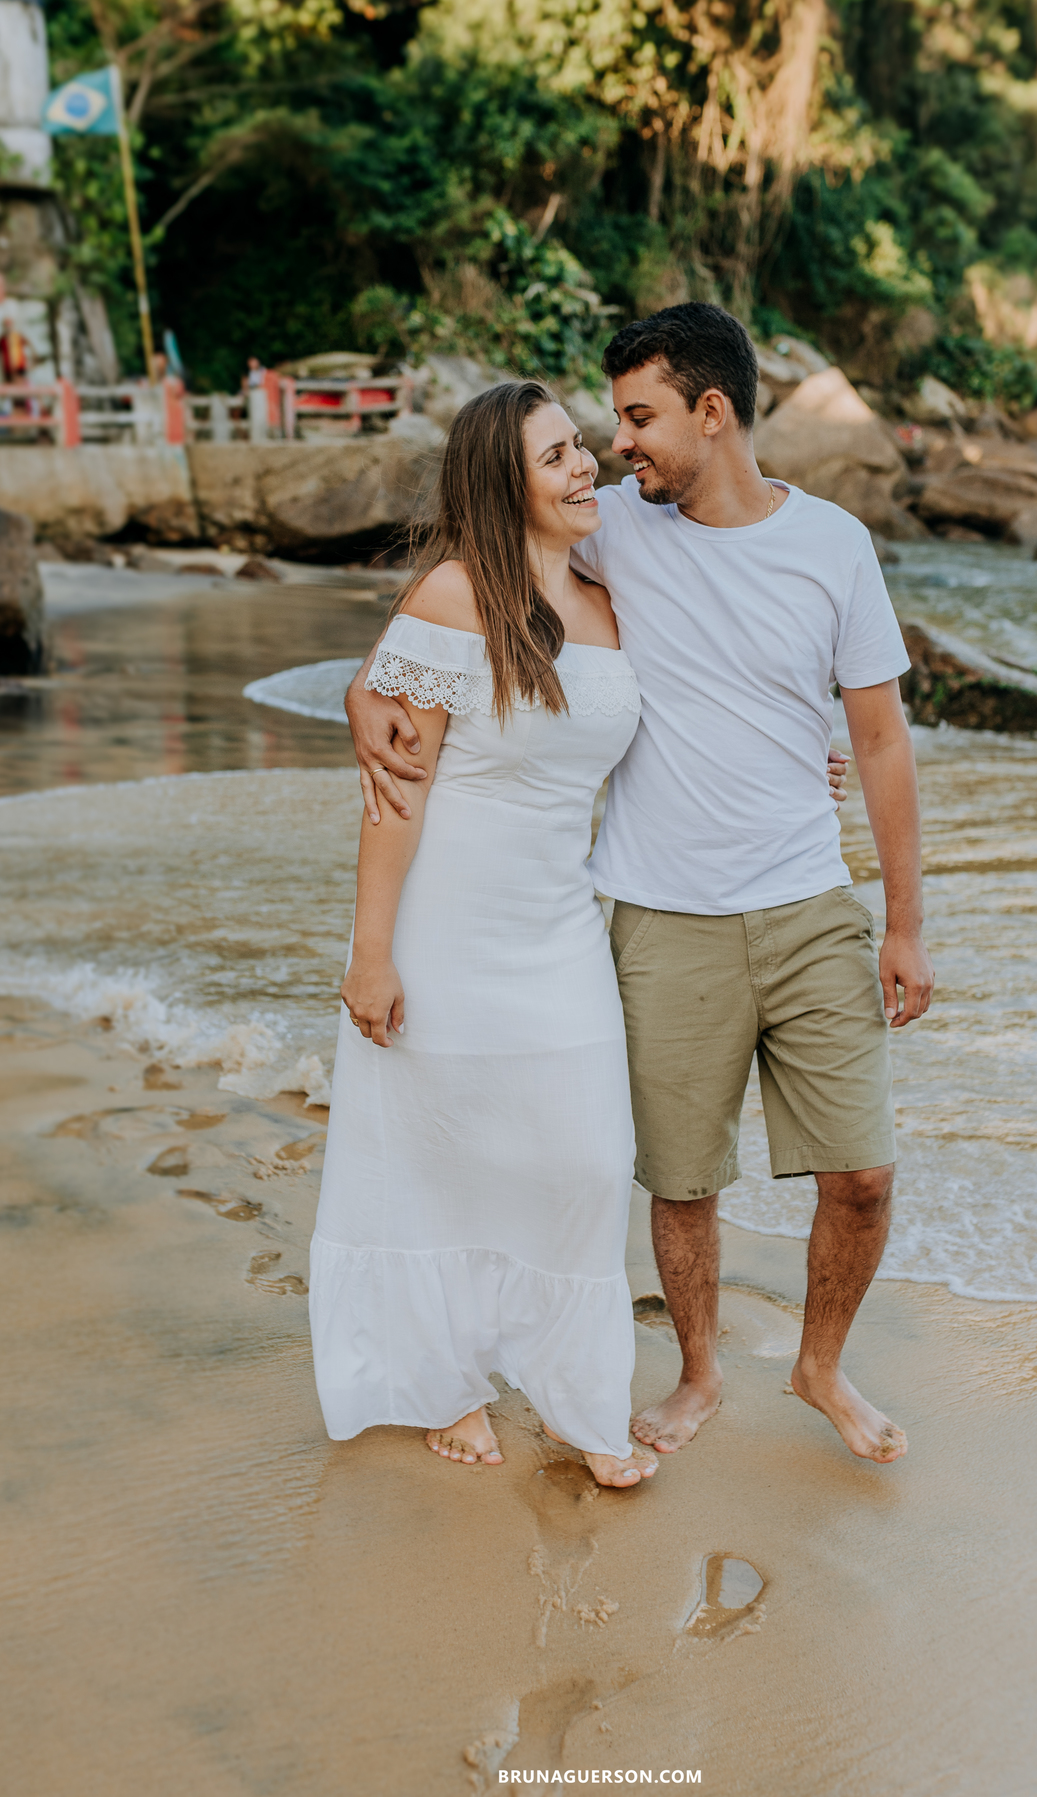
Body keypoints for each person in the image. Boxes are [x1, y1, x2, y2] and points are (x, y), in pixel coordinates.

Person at [347, 303, 934, 1467]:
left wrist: (906, 923)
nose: (618, 447)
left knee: (863, 1172)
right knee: (678, 1180)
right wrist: (363, 700)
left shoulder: (833, 547)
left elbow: (878, 742)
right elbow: (459, 597)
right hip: (658, 913)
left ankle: (820, 1367)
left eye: (638, 418)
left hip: (811, 902)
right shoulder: (608, 524)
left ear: (712, 414)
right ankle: (701, 1375)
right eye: (607, 426)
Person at [309, 379, 659, 1488]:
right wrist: (372, 953)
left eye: (577, 447)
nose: (582, 466)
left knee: (588, 1162)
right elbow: (396, 789)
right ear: (502, 485)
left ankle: (577, 1397)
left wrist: (811, 756)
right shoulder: (457, 596)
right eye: (554, 457)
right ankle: (446, 1379)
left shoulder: (610, 596)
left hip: (561, 926)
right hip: (447, 923)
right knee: (438, 1151)